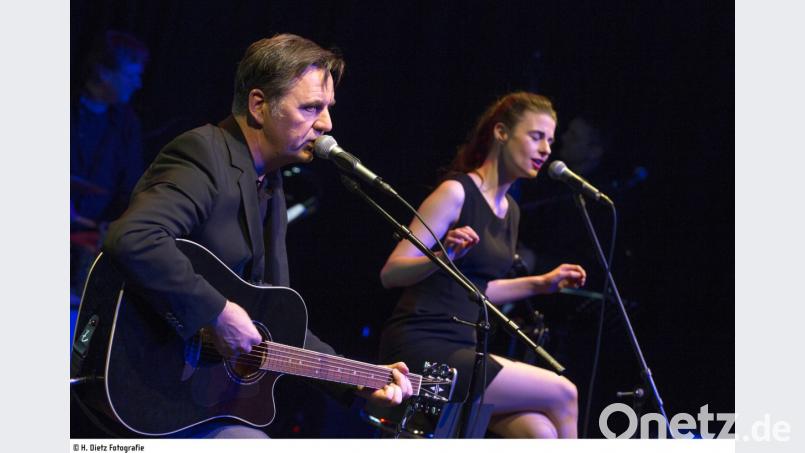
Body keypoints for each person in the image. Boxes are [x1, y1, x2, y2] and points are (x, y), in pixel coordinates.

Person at [92, 33, 412, 438]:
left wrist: (359, 381)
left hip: (192, 402)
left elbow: (278, 324)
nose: (327, 124)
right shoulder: (204, 153)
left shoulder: (271, 183)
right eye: (311, 107)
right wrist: (217, 312)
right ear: (259, 106)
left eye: (328, 108)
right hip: (144, 380)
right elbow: (135, 236)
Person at [378, 92, 586, 438]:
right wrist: (444, 257)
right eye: (536, 137)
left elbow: (479, 291)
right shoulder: (456, 192)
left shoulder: (510, 211)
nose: (547, 149)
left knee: (541, 434)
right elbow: (392, 271)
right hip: (424, 345)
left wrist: (542, 283)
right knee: (564, 393)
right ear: (501, 133)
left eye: (550, 140)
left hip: (466, 348)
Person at [70, 30, 149, 297]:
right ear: (104, 72)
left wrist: (114, 223)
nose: (138, 84)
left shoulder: (127, 124)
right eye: (131, 75)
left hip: (93, 236)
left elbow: (131, 186)